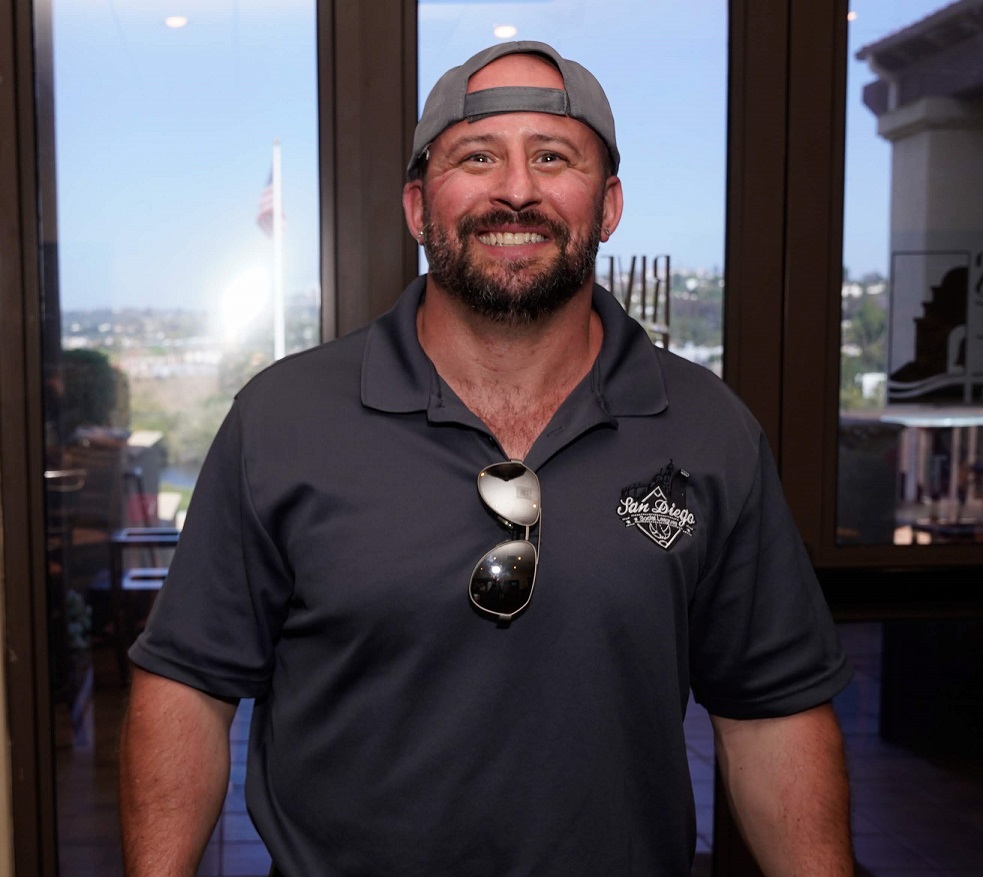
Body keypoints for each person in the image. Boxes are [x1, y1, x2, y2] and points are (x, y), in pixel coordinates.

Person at [119, 41, 854, 876]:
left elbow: (772, 712)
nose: (515, 190)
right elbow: (188, 684)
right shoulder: (282, 418)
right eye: (477, 157)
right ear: (416, 206)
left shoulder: (708, 428)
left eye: (553, 157)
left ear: (607, 205)